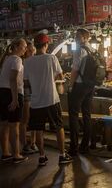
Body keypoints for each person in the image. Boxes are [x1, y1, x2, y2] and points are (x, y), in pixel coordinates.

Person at [24, 34, 72, 166]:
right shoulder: (52, 58)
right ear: (46, 45)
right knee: (58, 127)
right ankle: (62, 155)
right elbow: (60, 76)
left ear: (35, 45)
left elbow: (26, 83)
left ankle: (42, 156)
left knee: (39, 129)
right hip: (51, 99)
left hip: (36, 101)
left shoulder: (27, 62)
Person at [0, 38, 28, 163]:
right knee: (14, 125)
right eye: (24, 46)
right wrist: (15, 99)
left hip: (2, 92)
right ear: (16, 47)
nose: (25, 49)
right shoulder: (17, 59)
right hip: (12, 93)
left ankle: (6, 152)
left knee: (4, 124)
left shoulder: (6, 59)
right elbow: (13, 79)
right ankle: (16, 154)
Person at [68, 28, 95, 156]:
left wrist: (70, 86)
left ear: (85, 37)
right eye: (75, 36)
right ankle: (85, 146)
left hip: (79, 85)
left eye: (78, 36)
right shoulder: (92, 49)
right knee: (87, 115)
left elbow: (75, 69)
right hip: (90, 86)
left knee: (73, 115)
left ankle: (74, 147)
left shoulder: (79, 50)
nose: (76, 38)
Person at [21, 40, 38, 154]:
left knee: (35, 120)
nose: (32, 52)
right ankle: (24, 144)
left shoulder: (36, 62)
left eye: (33, 50)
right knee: (25, 119)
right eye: (29, 50)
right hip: (26, 93)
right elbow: (23, 81)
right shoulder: (22, 63)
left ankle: (33, 142)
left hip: (36, 93)